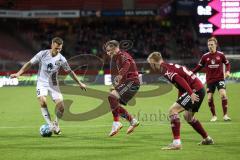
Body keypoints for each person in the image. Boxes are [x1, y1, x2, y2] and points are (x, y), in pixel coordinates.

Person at [10, 37, 86, 134]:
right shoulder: (42, 54)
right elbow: (30, 63)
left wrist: (79, 83)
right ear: (52, 45)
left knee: (61, 107)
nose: (58, 50)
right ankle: (50, 125)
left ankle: (56, 124)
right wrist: (18, 73)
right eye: (56, 48)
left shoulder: (62, 59)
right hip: (42, 82)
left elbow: (69, 72)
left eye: (60, 49)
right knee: (43, 101)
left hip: (54, 84)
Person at [147, 52, 214, 150]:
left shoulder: (164, 68)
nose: (150, 66)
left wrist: (191, 93)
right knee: (188, 116)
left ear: (153, 62)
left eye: (150, 63)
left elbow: (179, 79)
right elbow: (180, 84)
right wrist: (183, 96)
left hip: (195, 90)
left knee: (172, 111)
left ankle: (176, 143)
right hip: (199, 88)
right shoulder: (168, 66)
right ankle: (207, 138)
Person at [104, 40, 140, 137]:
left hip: (132, 81)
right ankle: (132, 121)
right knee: (114, 103)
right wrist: (116, 86)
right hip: (128, 82)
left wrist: (119, 76)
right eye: (106, 51)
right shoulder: (116, 58)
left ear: (115, 48)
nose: (108, 53)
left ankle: (116, 123)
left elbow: (127, 64)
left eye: (109, 50)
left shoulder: (122, 55)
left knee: (112, 97)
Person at [192, 37, 231, 122]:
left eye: (212, 44)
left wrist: (227, 71)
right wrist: (191, 72)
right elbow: (199, 67)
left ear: (216, 45)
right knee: (209, 98)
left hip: (220, 79)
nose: (210, 46)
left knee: (223, 95)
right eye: (209, 45)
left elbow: (227, 64)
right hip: (210, 80)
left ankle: (225, 115)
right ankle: (214, 116)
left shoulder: (221, 55)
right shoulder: (205, 56)